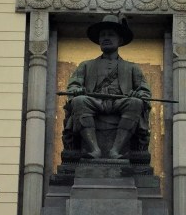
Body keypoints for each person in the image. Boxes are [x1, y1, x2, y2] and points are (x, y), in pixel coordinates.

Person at [64, 14, 150, 159]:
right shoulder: (86, 65)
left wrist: (139, 95)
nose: (106, 38)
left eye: (111, 35)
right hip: (94, 101)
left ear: (120, 40)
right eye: (103, 35)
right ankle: (94, 149)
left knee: (135, 103)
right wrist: (76, 91)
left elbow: (144, 91)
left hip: (120, 102)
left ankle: (116, 150)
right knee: (79, 101)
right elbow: (72, 87)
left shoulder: (132, 68)